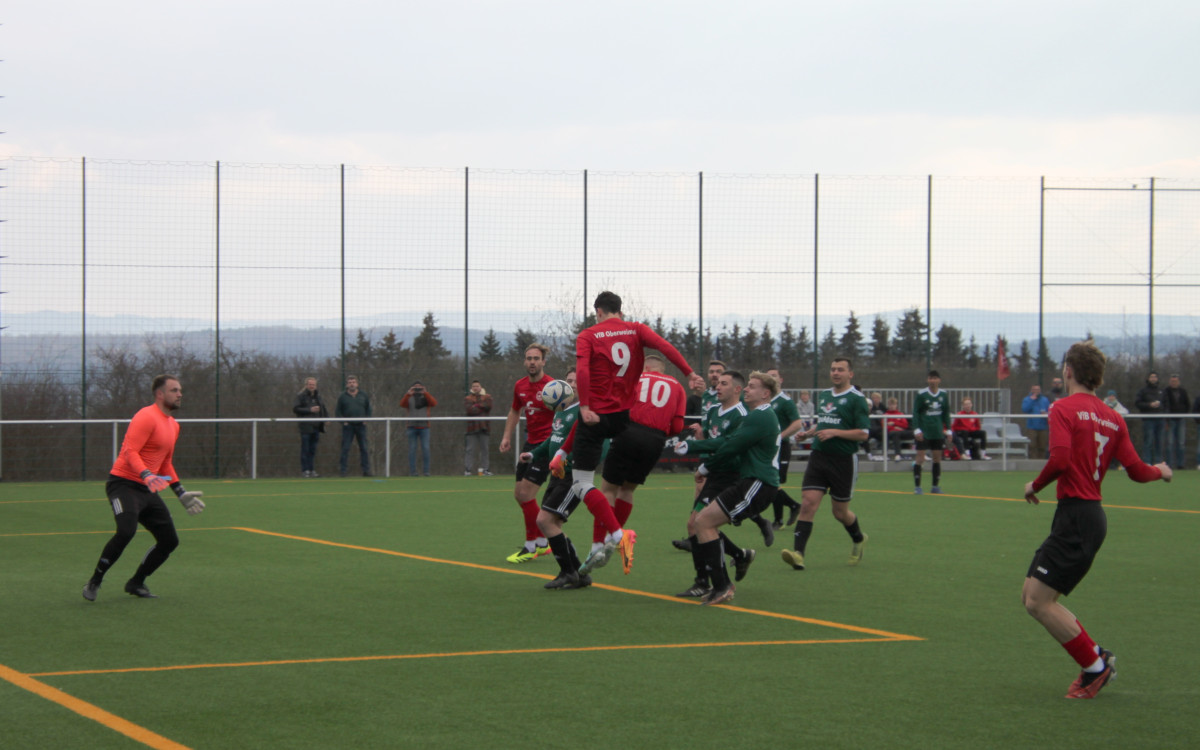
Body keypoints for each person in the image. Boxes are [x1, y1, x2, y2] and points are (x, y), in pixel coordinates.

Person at [1021, 341, 1171, 699]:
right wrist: (1160, 471)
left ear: (1068, 371)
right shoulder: (1113, 416)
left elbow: (1059, 459)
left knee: (1038, 602)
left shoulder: (1062, 408)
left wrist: (1034, 485)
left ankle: (1095, 668)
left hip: (1076, 516)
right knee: (1032, 594)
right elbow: (1135, 471)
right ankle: (1096, 657)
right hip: (1088, 517)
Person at [557, 291, 704, 574]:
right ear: (619, 310)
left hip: (599, 416)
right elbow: (666, 347)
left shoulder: (589, 334)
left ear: (598, 311)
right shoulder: (636, 329)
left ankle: (611, 536)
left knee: (585, 484)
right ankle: (605, 543)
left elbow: (583, 371)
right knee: (627, 488)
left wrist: (585, 405)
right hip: (623, 419)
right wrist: (688, 373)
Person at [81, 375, 206, 601]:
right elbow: (130, 452)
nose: (180, 394)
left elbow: (166, 462)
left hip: (147, 489)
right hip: (123, 485)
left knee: (170, 541)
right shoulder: (146, 416)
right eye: (174, 390)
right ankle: (95, 580)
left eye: (180, 390)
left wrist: (180, 492)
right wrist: (146, 474)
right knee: (126, 531)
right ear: (160, 394)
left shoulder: (173, 425)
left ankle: (136, 582)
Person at [574, 354, 688, 576]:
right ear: (662, 370)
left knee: (608, 489)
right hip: (655, 440)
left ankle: (599, 543)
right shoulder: (678, 388)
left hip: (629, 431)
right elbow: (677, 425)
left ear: (645, 367)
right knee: (627, 490)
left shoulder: (634, 378)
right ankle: (611, 538)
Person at [676, 371, 781, 605]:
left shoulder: (759, 416)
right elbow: (726, 442)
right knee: (701, 522)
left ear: (765, 394)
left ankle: (720, 584)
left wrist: (704, 466)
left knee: (702, 523)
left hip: (757, 483)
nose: (747, 389)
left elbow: (731, 446)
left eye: (752, 387)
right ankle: (721, 582)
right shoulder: (757, 415)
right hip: (750, 481)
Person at [782, 357, 869, 571]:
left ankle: (858, 538)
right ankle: (798, 554)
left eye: (840, 369)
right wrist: (810, 434)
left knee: (840, 512)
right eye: (833, 369)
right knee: (808, 503)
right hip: (819, 457)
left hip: (843, 461)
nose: (836, 373)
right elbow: (825, 423)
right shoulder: (825, 395)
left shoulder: (857, 399)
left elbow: (863, 434)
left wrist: (835, 433)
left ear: (851, 374)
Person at [498, 344, 558, 563]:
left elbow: (562, 414)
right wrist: (506, 437)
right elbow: (515, 410)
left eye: (536, 358)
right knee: (519, 494)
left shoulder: (552, 386)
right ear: (525, 362)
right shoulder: (520, 385)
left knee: (526, 495)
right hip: (529, 444)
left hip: (546, 447)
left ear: (543, 362)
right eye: (529, 358)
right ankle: (542, 543)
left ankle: (530, 546)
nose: (532, 362)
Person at [765, 367, 803, 530]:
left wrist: (780, 436)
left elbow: (797, 423)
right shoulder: (764, 400)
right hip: (768, 447)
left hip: (782, 446)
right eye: (768, 377)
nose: (771, 379)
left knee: (775, 483)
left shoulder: (785, 401)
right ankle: (788, 511)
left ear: (780, 380)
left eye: (774, 376)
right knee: (773, 483)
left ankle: (781, 517)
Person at [912, 370, 952, 494]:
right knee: (920, 458)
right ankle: (918, 486)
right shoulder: (921, 394)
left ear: (939, 380)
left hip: (937, 432)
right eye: (930, 378)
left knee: (937, 458)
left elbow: (946, 413)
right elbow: (916, 412)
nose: (932, 381)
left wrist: (949, 429)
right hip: (924, 432)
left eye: (935, 378)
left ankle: (935, 486)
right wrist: (916, 428)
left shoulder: (943, 395)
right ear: (927, 380)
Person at [335, 375, 372, 477]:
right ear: (347, 384)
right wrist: (344, 422)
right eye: (350, 382)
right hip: (348, 427)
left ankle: (366, 471)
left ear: (357, 384)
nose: (352, 384)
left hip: (361, 426)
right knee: (345, 448)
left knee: (364, 448)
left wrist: (366, 419)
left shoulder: (363, 395)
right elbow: (338, 412)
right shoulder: (342, 397)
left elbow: (369, 409)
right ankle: (343, 471)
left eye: (354, 382)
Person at [400, 381, 438, 476]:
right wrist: (408, 394)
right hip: (411, 426)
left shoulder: (426, 398)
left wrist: (425, 392)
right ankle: (413, 471)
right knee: (412, 449)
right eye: (415, 388)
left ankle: (426, 471)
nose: (417, 389)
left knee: (425, 448)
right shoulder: (410, 398)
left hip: (424, 426)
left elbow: (434, 403)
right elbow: (402, 404)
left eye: (419, 387)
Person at [293, 377, 328, 478]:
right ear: (306, 385)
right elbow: (296, 409)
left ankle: (312, 470)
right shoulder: (301, 396)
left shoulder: (318, 396)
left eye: (313, 384)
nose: (312, 386)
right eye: (310, 384)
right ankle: (305, 470)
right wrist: (310, 410)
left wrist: (326, 418)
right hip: (305, 426)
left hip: (316, 426)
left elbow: (323, 408)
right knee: (305, 449)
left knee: (313, 449)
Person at [464, 380, 494, 476]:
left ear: (480, 387)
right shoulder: (467, 398)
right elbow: (469, 410)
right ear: (471, 388)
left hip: (484, 427)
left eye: (477, 386)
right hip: (472, 428)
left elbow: (488, 405)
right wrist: (480, 406)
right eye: (473, 386)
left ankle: (486, 470)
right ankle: (468, 470)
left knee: (485, 449)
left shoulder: (487, 397)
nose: (475, 388)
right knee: (470, 449)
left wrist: (476, 405)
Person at [1133, 372, 1165, 464]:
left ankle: (1159, 462)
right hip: (1148, 420)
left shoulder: (1161, 391)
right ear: (1148, 378)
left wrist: (1161, 408)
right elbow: (1138, 403)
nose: (1153, 378)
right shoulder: (1143, 391)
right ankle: (1147, 462)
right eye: (1151, 377)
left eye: (1155, 377)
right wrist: (1149, 405)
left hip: (1160, 419)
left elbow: (1166, 404)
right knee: (1148, 442)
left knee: (1159, 442)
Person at [1163, 374, 1189, 469]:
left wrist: (1183, 414)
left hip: (1181, 420)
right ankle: (1169, 464)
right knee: (1169, 443)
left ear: (1179, 382)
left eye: (1176, 381)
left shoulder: (1183, 391)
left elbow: (1187, 404)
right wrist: (1166, 419)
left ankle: (1180, 464)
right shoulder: (1166, 391)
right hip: (1170, 420)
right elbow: (1164, 405)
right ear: (1170, 382)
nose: (1174, 383)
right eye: (1172, 381)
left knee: (1181, 443)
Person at [1022, 384, 1051, 460]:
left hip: (1043, 427)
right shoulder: (1027, 399)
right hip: (1031, 427)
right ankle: (1032, 463)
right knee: (1032, 446)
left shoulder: (1045, 400)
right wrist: (1032, 400)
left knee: (1043, 446)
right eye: (1034, 389)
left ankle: (1041, 463)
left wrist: (1046, 414)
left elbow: (1050, 411)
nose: (1036, 391)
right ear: (1031, 390)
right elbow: (1025, 409)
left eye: (1038, 389)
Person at [863, 391, 887, 458]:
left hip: (876, 430)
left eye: (870, 405)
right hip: (867, 430)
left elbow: (879, 423)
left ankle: (884, 454)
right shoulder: (861, 414)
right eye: (867, 405)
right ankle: (868, 453)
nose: (868, 407)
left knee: (884, 435)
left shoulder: (875, 413)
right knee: (864, 436)